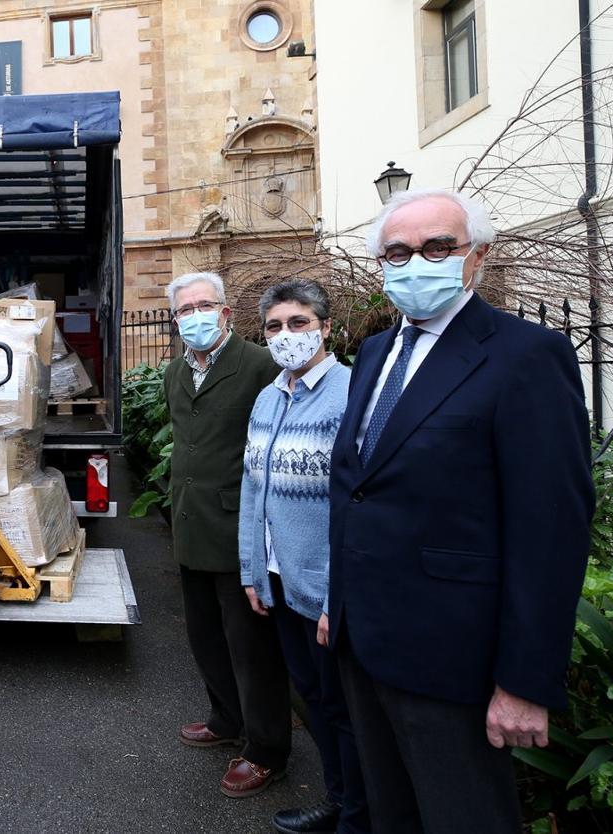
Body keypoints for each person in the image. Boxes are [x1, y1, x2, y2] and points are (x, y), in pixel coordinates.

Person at [326, 188, 594, 832]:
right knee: (393, 813)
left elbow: (550, 530)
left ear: (477, 256)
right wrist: (339, 608)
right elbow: (357, 490)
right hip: (366, 644)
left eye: (437, 247)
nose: (417, 262)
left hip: (454, 657)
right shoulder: (373, 354)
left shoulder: (525, 356)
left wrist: (525, 681)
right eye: (398, 251)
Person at [239, 280, 369, 834]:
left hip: (324, 589)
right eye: (274, 326)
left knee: (343, 710)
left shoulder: (350, 394)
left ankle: (356, 813)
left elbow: (357, 507)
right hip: (279, 580)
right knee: (314, 698)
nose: (286, 335)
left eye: (298, 323)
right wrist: (252, 570)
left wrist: (336, 597)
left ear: (325, 328)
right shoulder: (269, 396)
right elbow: (253, 489)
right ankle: (339, 800)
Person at [163, 272, 291, 798]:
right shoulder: (175, 370)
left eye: (203, 305)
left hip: (238, 525)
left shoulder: (261, 366)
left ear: (225, 313)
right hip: (192, 522)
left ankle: (266, 750)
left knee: (251, 644)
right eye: (184, 309)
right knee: (205, 634)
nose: (194, 315)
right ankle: (225, 718)